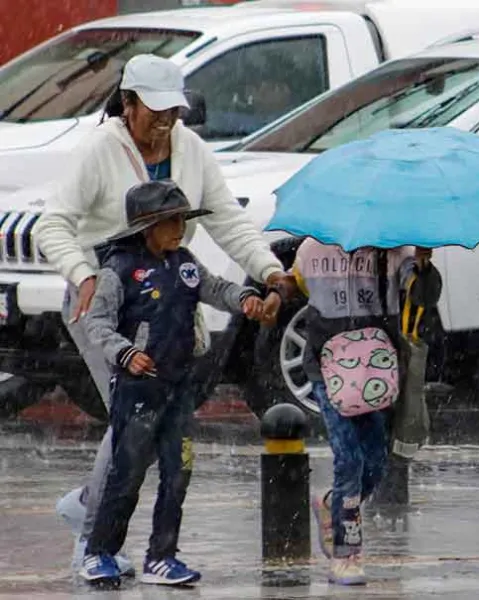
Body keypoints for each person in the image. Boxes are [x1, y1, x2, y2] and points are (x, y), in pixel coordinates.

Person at [33, 54, 296, 574]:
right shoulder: (100, 151)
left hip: (167, 307)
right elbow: (51, 226)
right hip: (103, 303)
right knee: (134, 421)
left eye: (173, 111)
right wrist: (83, 273)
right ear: (127, 104)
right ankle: (94, 545)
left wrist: (269, 271)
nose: (164, 122)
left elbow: (229, 222)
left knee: (151, 431)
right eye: (153, 110)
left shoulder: (191, 150)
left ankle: (88, 505)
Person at [78, 180, 272, 587]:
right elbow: (96, 322)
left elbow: (215, 288)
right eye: (171, 221)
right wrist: (126, 353)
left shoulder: (184, 261)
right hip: (137, 390)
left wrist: (245, 300)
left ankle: (162, 557)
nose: (179, 228)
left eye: (182, 219)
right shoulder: (118, 270)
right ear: (146, 227)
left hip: (179, 386)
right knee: (126, 473)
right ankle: (100, 551)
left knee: (178, 471)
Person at [294, 238, 439, 586]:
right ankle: (347, 553)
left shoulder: (394, 251)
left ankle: (333, 503)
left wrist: (422, 266)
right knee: (349, 458)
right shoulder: (312, 248)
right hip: (328, 365)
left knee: (375, 460)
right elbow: (300, 285)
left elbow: (423, 298)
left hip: (376, 367)